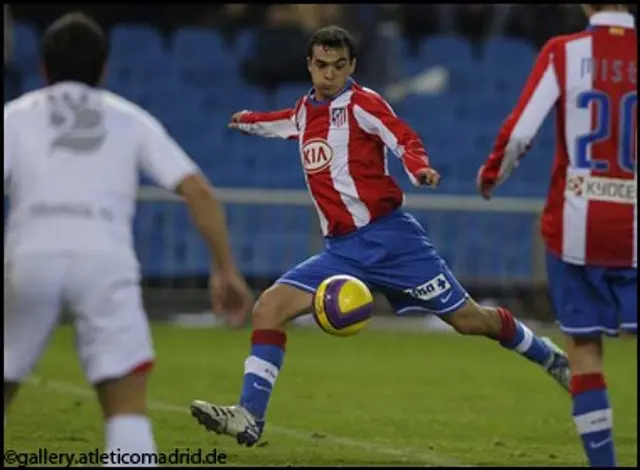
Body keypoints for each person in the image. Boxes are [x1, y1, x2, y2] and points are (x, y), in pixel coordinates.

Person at [190, 25, 571, 448]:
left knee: (469, 321)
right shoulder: (302, 112)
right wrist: (247, 121)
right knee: (267, 309)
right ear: (310, 66)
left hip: (393, 242)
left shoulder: (363, 104)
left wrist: (418, 167)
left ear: (351, 66)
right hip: (342, 252)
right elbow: (278, 123)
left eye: (338, 66)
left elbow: (402, 137)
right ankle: (249, 416)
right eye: (321, 66)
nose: (329, 75)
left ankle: (548, 355)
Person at [3, 12, 253, 465]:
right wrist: (226, 270)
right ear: (104, 68)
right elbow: (197, 189)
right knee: (126, 407)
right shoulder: (128, 119)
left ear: (43, 68)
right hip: (105, 261)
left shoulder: (15, 117)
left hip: (30, 256)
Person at [477, 4, 636, 467]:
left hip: (576, 226)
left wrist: (492, 176)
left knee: (585, 351)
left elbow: (522, 131)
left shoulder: (563, 53)